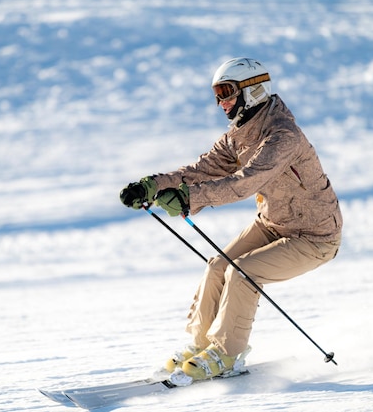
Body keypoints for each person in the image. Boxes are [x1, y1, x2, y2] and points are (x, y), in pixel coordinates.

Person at [119, 57, 342, 384]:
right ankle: (202, 344)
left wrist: (188, 198)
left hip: (314, 236)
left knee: (243, 273)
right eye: (217, 94)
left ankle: (227, 353)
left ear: (253, 90)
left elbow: (245, 181)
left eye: (226, 92)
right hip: (274, 223)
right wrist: (153, 184)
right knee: (217, 267)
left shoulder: (283, 136)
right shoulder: (239, 135)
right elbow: (198, 171)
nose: (221, 101)